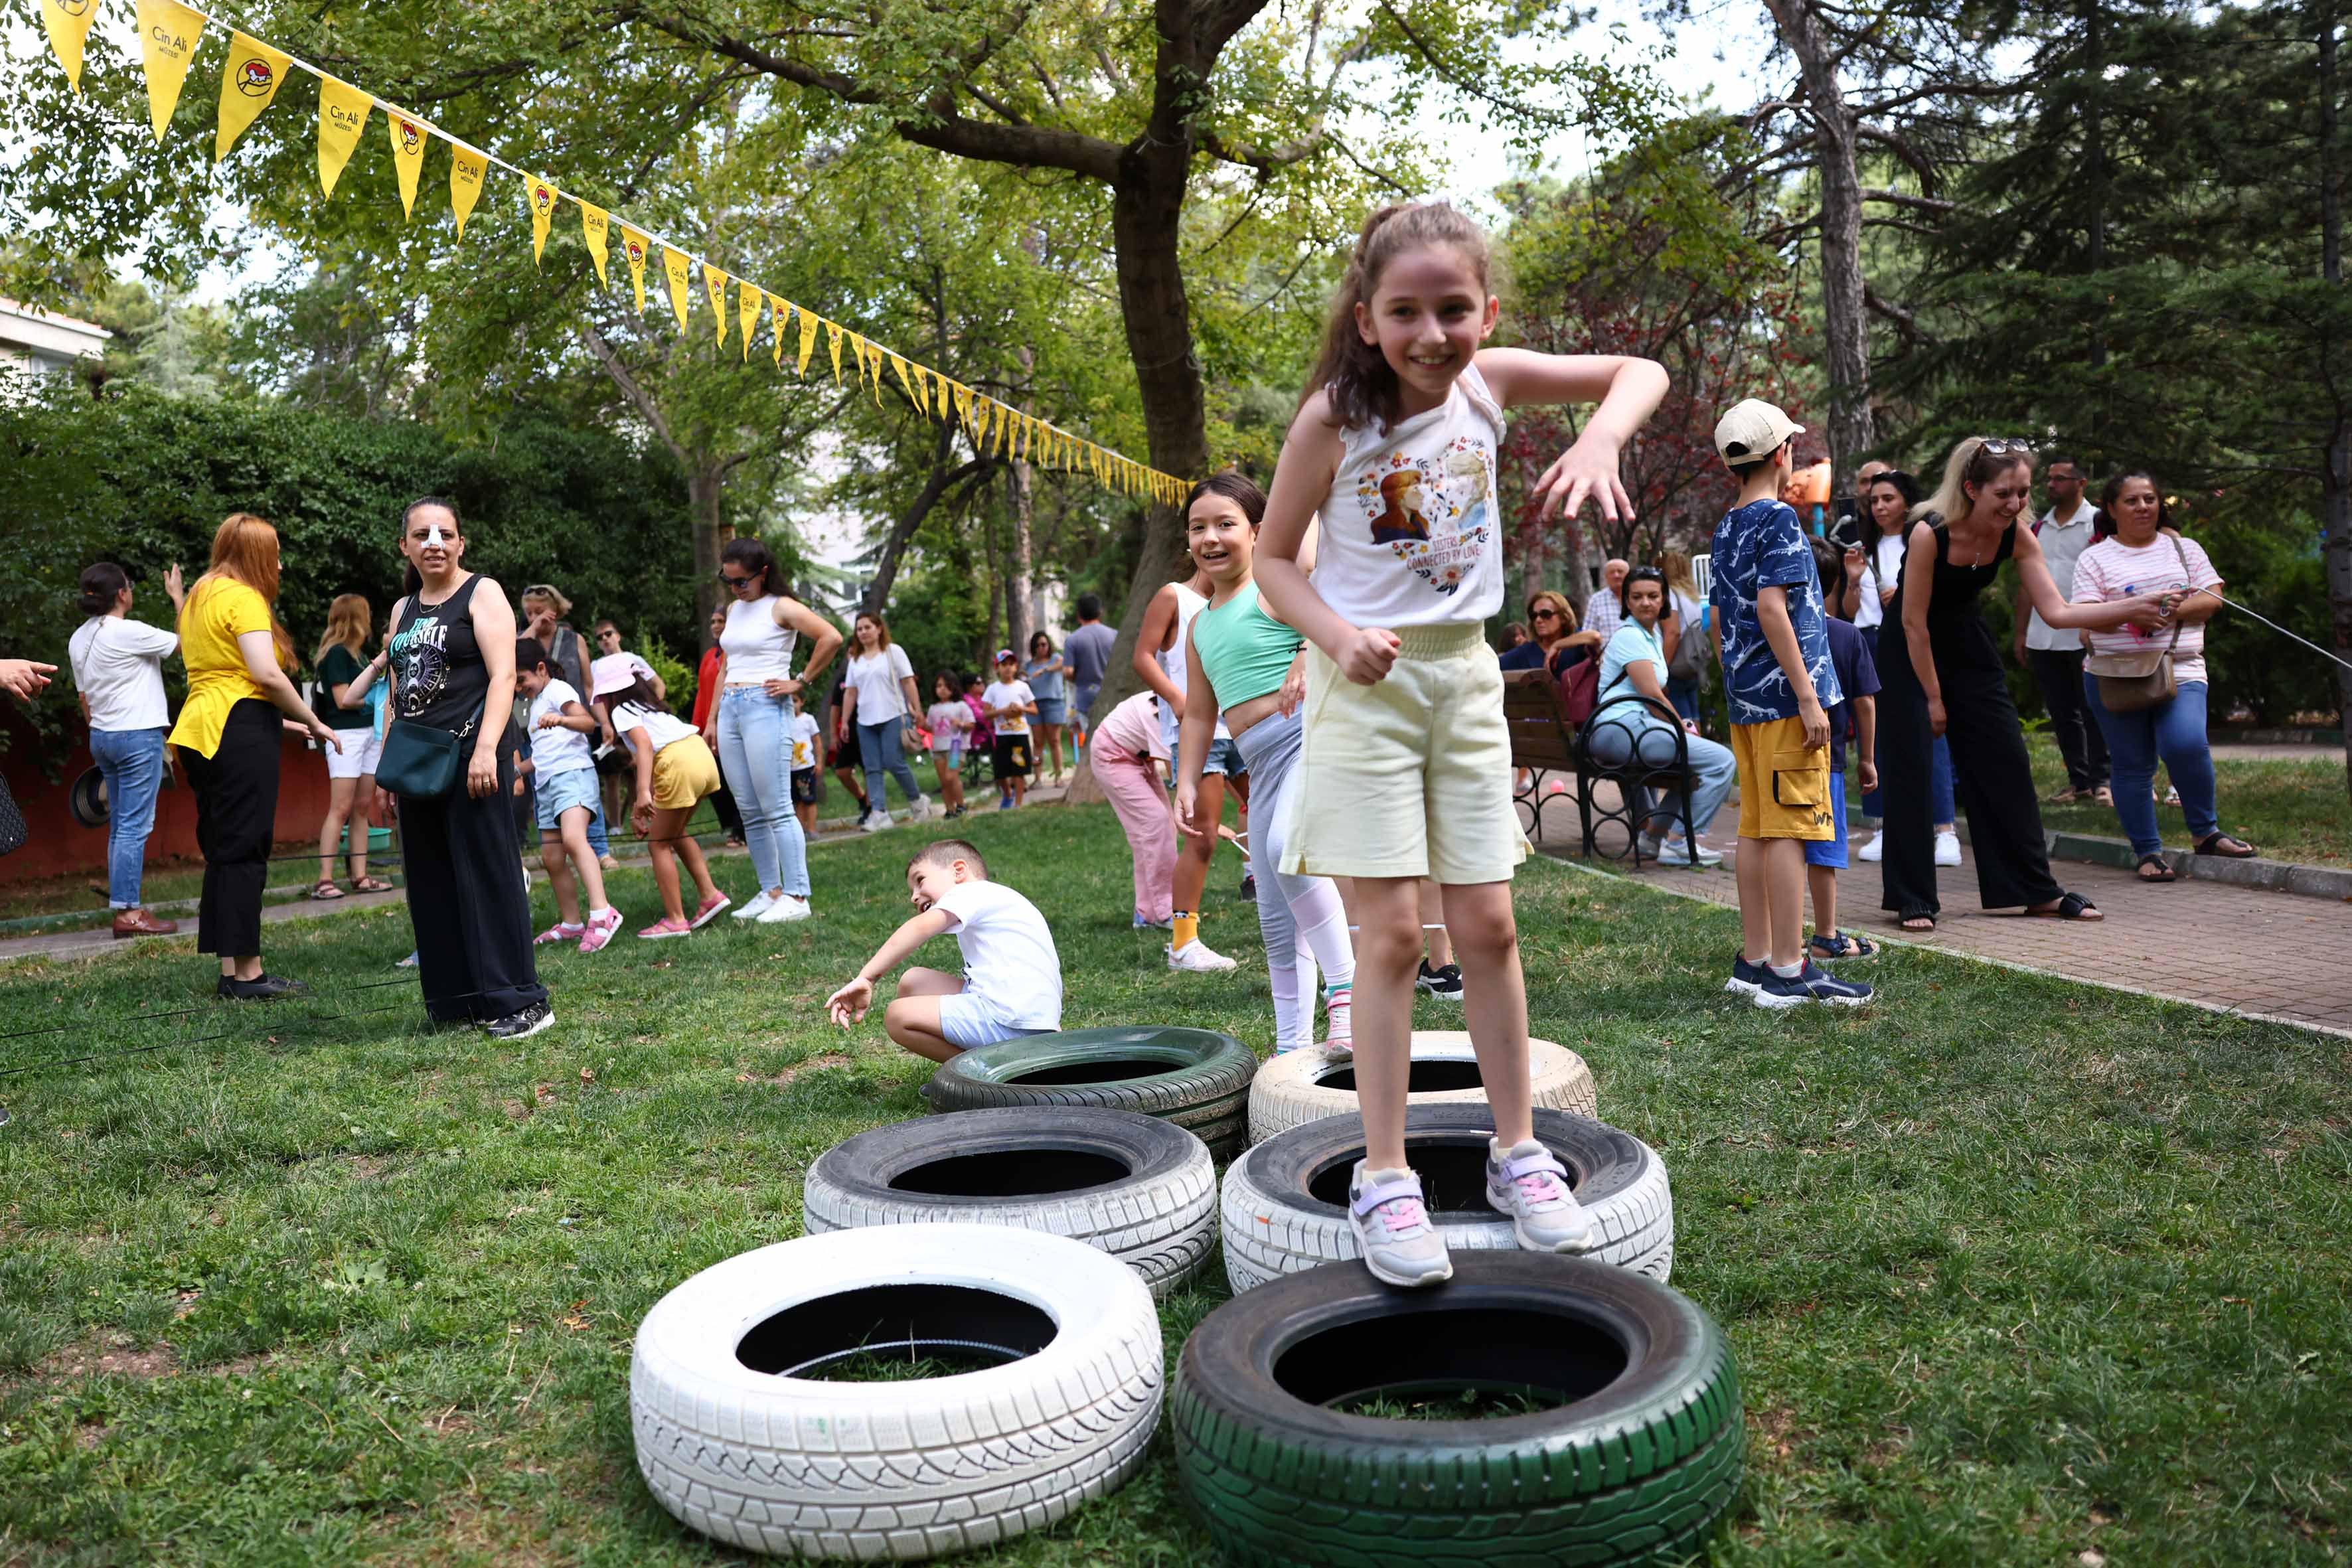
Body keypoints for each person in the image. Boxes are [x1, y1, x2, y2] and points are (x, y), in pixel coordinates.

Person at [1254, 200, 1668, 1285]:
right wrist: (1336, 639)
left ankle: (1517, 1153)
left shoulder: (1488, 384)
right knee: (1389, 938)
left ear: (1486, 311)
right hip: (1367, 689)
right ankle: (1382, 1177)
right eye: (1404, 312)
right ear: (1364, 319)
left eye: (1452, 309)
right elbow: (1271, 564)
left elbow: (1639, 373)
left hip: (1466, 677)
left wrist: (1597, 435)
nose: (1431, 334)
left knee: (1485, 924)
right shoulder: (1331, 423)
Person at [1876, 439, 2175, 931]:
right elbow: (1912, 624)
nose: (2014, 504)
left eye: (2022, 492)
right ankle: (1913, 897)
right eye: (2003, 494)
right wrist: (1933, 698)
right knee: (1912, 769)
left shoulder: (2017, 535)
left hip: (1968, 647)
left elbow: (2056, 611)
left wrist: (2130, 608)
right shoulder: (1929, 533)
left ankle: (2033, 890)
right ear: (1970, 489)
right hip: (1909, 651)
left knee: (2006, 762)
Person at [1175, 471, 1358, 1053]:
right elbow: (1199, 715)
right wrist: (1184, 778)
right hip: (1259, 762)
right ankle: (1291, 1046)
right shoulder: (1199, 625)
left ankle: (1349, 996)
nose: (1211, 537)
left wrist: (1306, 652)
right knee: (1276, 921)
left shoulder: (1275, 590)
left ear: (1257, 532)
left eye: (1225, 524)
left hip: (1304, 739)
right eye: (1198, 527)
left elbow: (1336, 612)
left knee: (1284, 850)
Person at [1703, 403, 1875, 1010]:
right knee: (1790, 831)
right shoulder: (1777, 518)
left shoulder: (1727, 524)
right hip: (1782, 699)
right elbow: (1775, 609)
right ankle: (1785, 969)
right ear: (1781, 454)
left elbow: (1723, 619)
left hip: (1748, 701)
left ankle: (1753, 961)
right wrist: (1807, 698)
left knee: (1756, 826)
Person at [381, 499, 551, 1037]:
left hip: (473, 757)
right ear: (405, 546)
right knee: (430, 882)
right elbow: (395, 692)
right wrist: (387, 767)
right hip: (417, 762)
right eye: (421, 534)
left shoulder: (484, 592)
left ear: (460, 543)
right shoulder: (402, 609)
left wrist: (485, 750)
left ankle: (522, 1001)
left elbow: (503, 677)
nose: (434, 542)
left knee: (489, 876)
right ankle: (455, 1003)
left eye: (445, 533)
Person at [163, 516, 346, 1000]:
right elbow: (264, 675)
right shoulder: (245, 598)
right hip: (235, 728)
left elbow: (225, 677)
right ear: (256, 556)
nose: (280, 564)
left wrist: (284, 723)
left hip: (200, 729)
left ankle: (231, 971)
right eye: (276, 553)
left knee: (224, 850)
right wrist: (313, 719)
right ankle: (250, 976)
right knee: (246, 849)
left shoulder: (201, 594)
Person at [2072, 471, 2255, 876]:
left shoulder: (2184, 548)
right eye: (2132, 501)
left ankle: (2206, 833)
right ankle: (2148, 853)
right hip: (2114, 674)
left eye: (2150, 499)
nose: (2143, 508)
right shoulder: (2095, 558)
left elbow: (2213, 599)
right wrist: (2133, 611)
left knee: (2186, 744)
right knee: (2132, 763)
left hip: (2182, 668)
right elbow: (2086, 618)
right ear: (2112, 509)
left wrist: (2165, 613)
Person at [824, 838, 1061, 1063]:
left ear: (959, 871)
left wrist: (866, 978)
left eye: (920, 880)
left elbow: (919, 928)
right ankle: (984, 1069)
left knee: (898, 1016)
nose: (914, 896)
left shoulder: (971, 891)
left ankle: (980, 1075)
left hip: (1012, 1020)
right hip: (1030, 1020)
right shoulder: (995, 897)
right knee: (913, 981)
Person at [706, 539, 840, 923]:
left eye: (741, 581)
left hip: (767, 706)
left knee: (777, 807)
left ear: (763, 573)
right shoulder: (734, 608)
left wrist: (800, 681)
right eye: (727, 580)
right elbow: (726, 664)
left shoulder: (782, 606)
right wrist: (713, 719)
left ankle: (798, 896)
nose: (735, 588)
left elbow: (830, 637)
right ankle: (771, 891)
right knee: (748, 809)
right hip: (731, 709)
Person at [1134, 562, 1242, 973]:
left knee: (1280, 826)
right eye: (1200, 527)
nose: (1213, 539)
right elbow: (1143, 657)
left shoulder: (1249, 596)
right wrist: (1179, 700)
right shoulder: (1174, 596)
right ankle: (1183, 944)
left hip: (1249, 726)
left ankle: (1292, 926)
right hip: (1200, 735)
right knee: (1204, 837)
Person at [1588, 566, 1735, 867]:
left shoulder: (1650, 634)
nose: (1645, 602)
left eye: (1653, 596)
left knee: (1692, 773)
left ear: (1664, 599)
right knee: (1722, 761)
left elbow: (1655, 696)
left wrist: (1681, 726)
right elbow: (1652, 695)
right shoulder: (1630, 636)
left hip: (1634, 728)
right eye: (1637, 596)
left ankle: (1652, 838)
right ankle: (1680, 843)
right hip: (1622, 730)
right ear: (1626, 602)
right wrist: (1681, 727)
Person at [70, 560, 185, 937]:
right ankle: (129, 914)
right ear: (122, 594)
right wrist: (178, 597)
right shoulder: (128, 631)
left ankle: (125, 908)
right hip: (137, 737)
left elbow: (85, 700)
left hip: (103, 737)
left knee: (121, 826)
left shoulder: (79, 639)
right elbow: (186, 643)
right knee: (134, 827)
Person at [1851, 467, 1959, 868]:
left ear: (1907, 501)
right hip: (1870, 643)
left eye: (1888, 499)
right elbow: (1848, 612)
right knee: (1874, 734)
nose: (1879, 507)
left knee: (1931, 729)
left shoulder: (1926, 537)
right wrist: (1852, 581)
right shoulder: (1861, 546)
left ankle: (1945, 830)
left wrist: (1910, 594)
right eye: (1874, 500)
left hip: (1912, 640)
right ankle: (1882, 826)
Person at [595, 656, 730, 937]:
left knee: (658, 844)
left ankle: (675, 919)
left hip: (678, 761)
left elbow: (645, 747)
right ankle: (710, 896)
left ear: (608, 693)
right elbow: (659, 756)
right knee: (675, 832)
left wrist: (643, 792)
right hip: (699, 754)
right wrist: (642, 807)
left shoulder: (622, 710)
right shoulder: (652, 706)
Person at [2014, 455, 2112, 805]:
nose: (2052, 485)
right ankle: (2079, 780)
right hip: (2045, 635)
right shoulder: (2039, 528)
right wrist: (2021, 631)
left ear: (2081, 483)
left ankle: (2104, 779)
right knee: (2062, 712)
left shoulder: (2098, 523)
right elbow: (2027, 584)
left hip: (2085, 633)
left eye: (2061, 478)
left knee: (2093, 708)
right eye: (2050, 479)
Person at [514, 639, 620, 951]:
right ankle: (572, 923)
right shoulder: (534, 704)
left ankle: (603, 914)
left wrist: (561, 718)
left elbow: (588, 723)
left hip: (572, 776)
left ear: (541, 669)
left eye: (523, 679)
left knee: (574, 840)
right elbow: (545, 753)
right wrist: (518, 771)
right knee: (552, 857)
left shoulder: (558, 690)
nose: (521, 688)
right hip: (547, 783)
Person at [1804, 540, 1881, 961]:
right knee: (1823, 850)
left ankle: (1771, 936)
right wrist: (1867, 758)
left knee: (1777, 845)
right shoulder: (1847, 635)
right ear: (1833, 583)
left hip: (1776, 756)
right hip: (1826, 760)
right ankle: (1826, 935)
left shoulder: (1770, 631)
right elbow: (1865, 702)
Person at [520, 583, 613, 864]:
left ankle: (601, 851)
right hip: (532, 726)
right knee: (543, 787)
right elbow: (513, 655)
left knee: (582, 790)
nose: (535, 617)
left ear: (556, 610)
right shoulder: (524, 639)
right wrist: (533, 629)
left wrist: (603, 722)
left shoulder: (575, 640)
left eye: (540, 611)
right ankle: (559, 852)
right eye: (529, 613)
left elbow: (588, 686)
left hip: (571, 725)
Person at [306, 594, 392, 901]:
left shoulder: (357, 655)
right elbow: (344, 700)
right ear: (356, 618)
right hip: (346, 736)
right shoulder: (337, 655)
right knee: (340, 807)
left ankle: (360, 876)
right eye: (366, 613)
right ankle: (325, 879)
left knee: (361, 807)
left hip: (369, 733)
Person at [838, 611, 933, 830]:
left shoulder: (893, 652)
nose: (862, 632)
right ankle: (879, 813)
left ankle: (918, 801)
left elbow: (908, 682)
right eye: (859, 629)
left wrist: (917, 711)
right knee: (871, 768)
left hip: (893, 715)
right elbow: (851, 693)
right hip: (865, 721)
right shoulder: (855, 660)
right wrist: (844, 722)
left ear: (879, 628)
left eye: (867, 627)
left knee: (893, 762)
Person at [1091, 689, 1177, 929]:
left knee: (1160, 827)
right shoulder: (1159, 716)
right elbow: (1179, 774)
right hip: (1112, 757)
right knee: (1156, 823)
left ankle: (1146, 913)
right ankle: (1164, 910)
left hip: (1139, 756)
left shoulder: (1176, 702)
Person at [690, 607, 745, 847]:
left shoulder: (736, 653)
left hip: (732, 722)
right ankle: (732, 825)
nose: (715, 625)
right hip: (710, 726)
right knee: (714, 780)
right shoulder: (710, 654)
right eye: (713, 621)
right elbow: (703, 693)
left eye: (721, 621)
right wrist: (698, 726)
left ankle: (742, 830)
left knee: (736, 779)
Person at [982, 649, 1038, 810]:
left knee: (1018, 770)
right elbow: (986, 713)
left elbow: (1034, 710)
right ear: (997, 668)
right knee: (1000, 771)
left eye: (1011, 664)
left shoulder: (1022, 687)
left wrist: (1021, 709)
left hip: (1020, 734)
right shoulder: (993, 689)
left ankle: (1018, 804)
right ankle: (1007, 794)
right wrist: (1003, 711)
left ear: (1016, 667)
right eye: (1003, 665)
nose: (1008, 668)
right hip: (1002, 735)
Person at [1658, 549, 1709, 724]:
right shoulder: (1691, 595)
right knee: (1693, 718)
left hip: (1675, 663)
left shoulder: (1670, 595)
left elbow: (1673, 632)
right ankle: (1700, 748)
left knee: (1682, 722)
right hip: (1692, 663)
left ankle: (1691, 750)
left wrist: (1662, 668)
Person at [1497, 589, 1601, 673]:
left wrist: (1557, 645)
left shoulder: (1576, 644)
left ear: (1564, 617)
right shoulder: (1526, 652)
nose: (1538, 620)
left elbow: (1595, 637)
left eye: (1546, 614)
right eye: (1534, 616)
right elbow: (1495, 667)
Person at [1023, 631, 1074, 786]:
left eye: (1044, 644)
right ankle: (1038, 778)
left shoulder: (1055, 659)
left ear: (1049, 645)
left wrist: (1045, 670)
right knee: (1038, 742)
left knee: (1055, 740)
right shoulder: (1029, 666)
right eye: (1037, 645)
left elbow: (1063, 664)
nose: (1041, 648)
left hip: (1054, 703)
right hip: (1035, 705)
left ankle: (1058, 777)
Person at [1065, 593, 1118, 739]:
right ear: (1100, 612)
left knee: (1092, 740)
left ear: (1079, 615)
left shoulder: (1072, 639)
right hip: (1111, 695)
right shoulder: (1114, 635)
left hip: (1085, 697)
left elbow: (1068, 672)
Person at [923, 672, 971, 817]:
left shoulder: (960, 706)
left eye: (946, 685)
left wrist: (961, 723)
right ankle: (949, 809)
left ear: (954, 687)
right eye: (939, 686)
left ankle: (961, 805)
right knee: (944, 781)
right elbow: (930, 728)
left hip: (956, 747)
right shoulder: (933, 708)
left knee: (951, 777)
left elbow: (971, 724)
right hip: (938, 748)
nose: (942, 689)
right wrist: (921, 723)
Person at [789, 704, 821, 835]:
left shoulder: (808, 719)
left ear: (803, 702)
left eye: (795, 700)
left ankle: (812, 829)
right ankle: (800, 832)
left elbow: (817, 742)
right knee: (798, 801)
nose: (792, 704)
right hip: (791, 769)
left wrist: (819, 763)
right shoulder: (784, 720)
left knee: (809, 799)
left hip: (806, 767)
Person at [1582, 557, 1631, 643]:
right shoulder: (1596, 600)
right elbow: (1588, 633)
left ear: (1629, 575)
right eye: (1612, 572)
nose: (1616, 575)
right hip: (1608, 655)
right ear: (1606, 577)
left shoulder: (1640, 597)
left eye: (1620, 571)